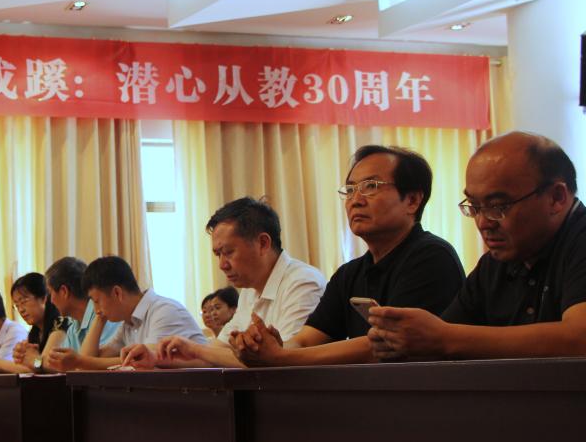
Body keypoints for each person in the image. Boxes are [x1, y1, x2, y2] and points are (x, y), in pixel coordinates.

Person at [233, 145, 465, 367]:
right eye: (351, 190)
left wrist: (281, 358)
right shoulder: (349, 274)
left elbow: (384, 346)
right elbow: (306, 341)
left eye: (371, 186)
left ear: (412, 200)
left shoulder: (433, 258)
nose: (356, 200)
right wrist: (269, 346)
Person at [368, 131, 586, 360]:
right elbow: (441, 341)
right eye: (474, 206)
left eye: (498, 206)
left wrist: (445, 339)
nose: (483, 223)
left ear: (556, 198)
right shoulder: (494, 265)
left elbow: (580, 338)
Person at [129, 197, 326, 369]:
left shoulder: (303, 282)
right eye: (218, 255)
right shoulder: (250, 291)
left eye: (228, 252)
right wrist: (157, 358)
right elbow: (219, 351)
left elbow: (282, 358)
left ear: (263, 243)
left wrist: (195, 349)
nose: (222, 265)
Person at [51, 255, 207, 370]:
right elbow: (90, 361)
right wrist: (100, 319)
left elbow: (144, 361)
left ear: (117, 293)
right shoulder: (128, 324)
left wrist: (79, 361)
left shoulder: (164, 311)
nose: (96, 309)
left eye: (96, 301)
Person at [0, 273, 69, 373]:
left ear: (43, 298)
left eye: (23, 301)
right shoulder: (35, 332)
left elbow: (44, 365)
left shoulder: (59, 324)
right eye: (17, 305)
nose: (21, 310)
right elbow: (29, 369)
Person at [44, 256, 120, 355]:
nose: (51, 301)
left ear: (64, 291)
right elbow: (62, 362)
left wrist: (35, 360)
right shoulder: (73, 327)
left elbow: (95, 362)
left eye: (50, 293)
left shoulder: (104, 314)